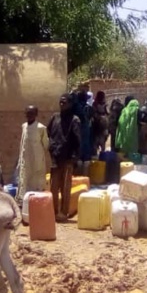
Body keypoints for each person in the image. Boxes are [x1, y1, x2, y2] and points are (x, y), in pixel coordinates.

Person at [48, 93, 81, 221]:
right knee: (54, 186)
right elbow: (49, 132)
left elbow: (77, 141)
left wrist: (74, 157)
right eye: (60, 102)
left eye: (65, 102)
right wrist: (52, 147)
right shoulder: (54, 118)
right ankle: (54, 211)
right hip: (56, 157)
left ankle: (64, 212)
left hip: (68, 158)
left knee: (66, 187)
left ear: (70, 104)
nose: (62, 104)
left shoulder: (74, 120)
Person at [15, 106, 50, 203]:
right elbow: (22, 143)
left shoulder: (41, 128)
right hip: (26, 160)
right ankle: (24, 203)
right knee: (24, 181)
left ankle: (37, 203)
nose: (29, 115)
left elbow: (46, 144)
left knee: (36, 183)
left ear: (36, 114)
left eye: (32, 113)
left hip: (37, 160)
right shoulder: (24, 126)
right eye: (27, 113)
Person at [91, 91, 110, 156]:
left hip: (98, 127)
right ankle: (102, 157)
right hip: (100, 126)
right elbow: (108, 113)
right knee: (101, 143)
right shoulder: (102, 105)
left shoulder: (95, 104)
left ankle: (98, 157)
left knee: (97, 143)